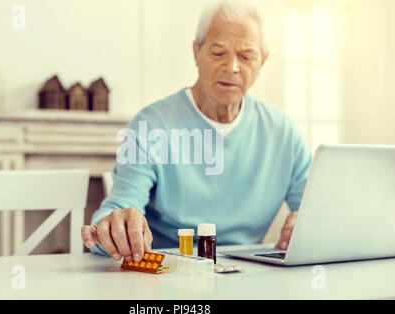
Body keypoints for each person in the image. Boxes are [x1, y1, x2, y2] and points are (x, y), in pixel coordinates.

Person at [81, 0, 312, 263]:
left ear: (262, 61)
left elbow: (315, 209)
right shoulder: (152, 124)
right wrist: (112, 227)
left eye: (246, 56)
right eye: (217, 53)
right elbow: (118, 206)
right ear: (196, 52)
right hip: (170, 272)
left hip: (251, 275)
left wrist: (311, 225)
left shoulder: (283, 132)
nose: (232, 67)